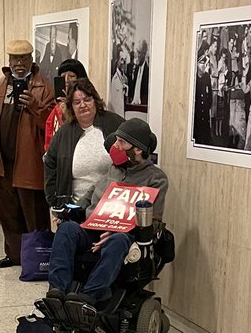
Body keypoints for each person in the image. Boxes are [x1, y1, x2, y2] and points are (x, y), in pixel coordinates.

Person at [46, 118, 168, 306]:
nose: (116, 146)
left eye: (122, 142)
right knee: (67, 229)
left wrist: (116, 229)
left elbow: (153, 221)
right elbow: (91, 194)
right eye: (116, 140)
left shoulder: (156, 179)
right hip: (92, 228)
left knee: (117, 241)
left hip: (123, 235)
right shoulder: (113, 169)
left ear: (137, 149)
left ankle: (89, 296)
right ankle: (57, 291)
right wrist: (70, 211)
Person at [0, 39, 54, 269]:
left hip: (30, 164)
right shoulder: (0, 86)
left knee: (34, 212)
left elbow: (52, 123)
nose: (19, 64)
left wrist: (35, 106)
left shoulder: (42, 87)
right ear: (9, 61)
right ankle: (14, 255)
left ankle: (37, 258)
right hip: (4, 163)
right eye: (14, 59)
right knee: (8, 212)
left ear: (31, 60)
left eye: (23, 58)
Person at [43, 78, 123, 208]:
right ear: (71, 107)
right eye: (77, 102)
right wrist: (54, 202)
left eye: (87, 100)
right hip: (74, 208)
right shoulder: (64, 133)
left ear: (95, 101)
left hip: (111, 208)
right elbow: (50, 165)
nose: (83, 105)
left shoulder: (115, 124)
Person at [44, 58, 87, 150]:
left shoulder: (87, 103)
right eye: (63, 76)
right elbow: (49, 132)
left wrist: (68, 112)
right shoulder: (58, 105)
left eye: (71, 76)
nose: (67, 80)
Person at [128, 40, 150, 110]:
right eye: (137, 52)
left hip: (142, 108)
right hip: (134, 106)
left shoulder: (148, 72)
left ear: (144, 54)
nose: (137, 55)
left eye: (139, 53)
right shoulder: (136, 69)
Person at [109, 46, 129, 119]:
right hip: (116, 117)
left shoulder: (125, 78)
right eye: (121, 60)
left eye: (124, 60)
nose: (123, 62)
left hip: (123, 116)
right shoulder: (114, 79)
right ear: (117, 60)